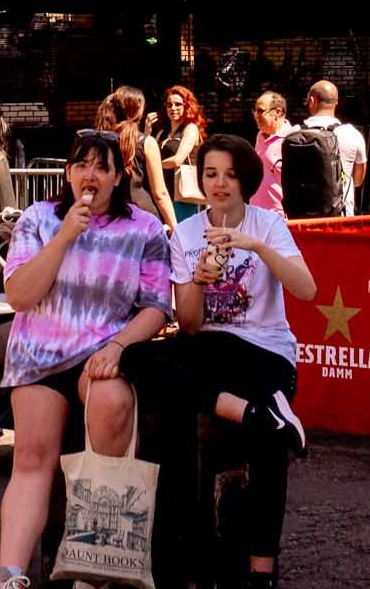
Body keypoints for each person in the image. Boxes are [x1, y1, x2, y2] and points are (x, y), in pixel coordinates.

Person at [123, 134, 313, 580]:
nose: (220, 184)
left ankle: (260, 569)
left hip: (265, 352)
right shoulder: (186, 234)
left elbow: (307, 289)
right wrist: (199, 282)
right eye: (211, 174)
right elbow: (188, 325)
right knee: (133, 359)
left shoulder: (268, 224)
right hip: (210, 350)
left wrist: (256, 247)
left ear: (246, 179)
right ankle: (252, 413)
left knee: (270, 445)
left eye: (230, 175)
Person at [0, 128, 171, 589]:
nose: (89, 175)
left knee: (113, 405)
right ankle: (10, 575)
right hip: (40, 354)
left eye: (101, 166)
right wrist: (64, 238)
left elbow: (157, 306)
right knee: (32, 460)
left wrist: (117, 347)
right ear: (68, 173)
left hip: (102, 353)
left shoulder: (144, 228)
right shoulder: (38, 219)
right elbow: (19, 294)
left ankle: (93, 567)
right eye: (80, 165)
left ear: (117, 176)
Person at [97, 86, 175, 228]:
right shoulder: (146, 143)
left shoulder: (102, 141)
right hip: (144, 219)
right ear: (139, 111)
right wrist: (174, 226)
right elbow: (160, 193)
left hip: (110, 218)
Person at [291, 79, 367, 215]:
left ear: (312, 101)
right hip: (341, 215)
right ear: (336, 103)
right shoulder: (353, 135)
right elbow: (357, 181)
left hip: (301, 217)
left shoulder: (293, 133)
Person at [158, 84, 208, 222]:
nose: (173, 108)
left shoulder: (190, 128)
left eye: (178, 104)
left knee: (183, 233)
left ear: (187, 106)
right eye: (169, 105)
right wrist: (146, 132)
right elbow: (150, 154)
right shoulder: (163, 132)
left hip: (182, 192)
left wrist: (154, 166)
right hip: (164, 192)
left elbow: (177, 160)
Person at [250, 90, 289, 212]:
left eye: (260, 111)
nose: (256, 115)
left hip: (279, 217)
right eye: (254, 111)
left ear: (277, 112)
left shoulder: (290, 140)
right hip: (257, 215)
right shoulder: (260, 136)